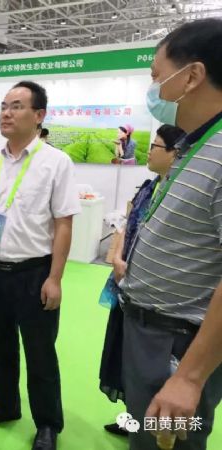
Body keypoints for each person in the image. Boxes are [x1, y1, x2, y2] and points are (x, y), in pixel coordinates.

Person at [118, 18, 222, 450]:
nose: (153, 89)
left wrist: (190, 377)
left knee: (172, 442)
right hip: (153, 332)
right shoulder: (196, 145)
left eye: (157, 76)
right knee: (145, 437)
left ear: (192, 76)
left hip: (180, 344)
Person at [0, 80, 80, 450]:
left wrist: (55, 278)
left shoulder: (56, 163)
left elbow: (64, 223)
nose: (6, 113)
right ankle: (5, 405)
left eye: (16, 106)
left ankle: (47, 424)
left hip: (35, 272)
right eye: (3, 106)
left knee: (40, 352)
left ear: (39, 115)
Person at [100, 124, 185, 437]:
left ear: (174, 154)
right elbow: (127, 224)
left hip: (158, 299)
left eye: (155, 147)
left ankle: (153, 427)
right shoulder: (150, 188)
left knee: (155, 365)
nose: (149, 152)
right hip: (128, 288)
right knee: (125, 357)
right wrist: (118, 258)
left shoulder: (180, 195)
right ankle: (133, 416)